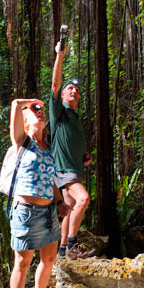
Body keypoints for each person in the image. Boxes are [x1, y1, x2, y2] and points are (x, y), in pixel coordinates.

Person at [7, 98, 71, 288]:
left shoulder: (47, 147)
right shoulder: (22, 142)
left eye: (42, 111)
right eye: (35, 112)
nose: (40, 113)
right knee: (23, 262)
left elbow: (50, 178)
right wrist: (27, 103)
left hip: (48, 211)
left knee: (49, 257)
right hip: (26, 211)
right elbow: (15, 105)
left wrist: (60, 200)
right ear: (25, 121)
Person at [50, 41, 94, 259]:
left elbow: (71, 144)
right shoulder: (59, 111)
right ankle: (73, 245)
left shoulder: (75, 118)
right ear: (64, 95)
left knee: (68, 208)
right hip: (63, 171)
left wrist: (85, 157)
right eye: (70, 89)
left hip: (74, 169)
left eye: (77, 90)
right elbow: (55, 85)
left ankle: (61, 254)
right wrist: (60, 56)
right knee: (83, 199)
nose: (74, 91)